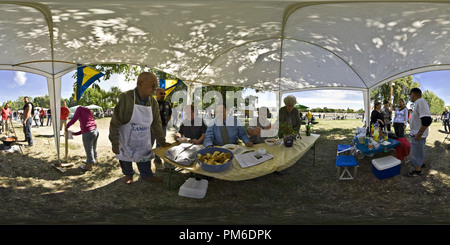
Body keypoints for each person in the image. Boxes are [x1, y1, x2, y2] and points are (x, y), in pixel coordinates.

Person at [109, 72, 170, 184]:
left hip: (143, 136)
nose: (154, 88)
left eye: (155, 86)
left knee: (144, 155)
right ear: (141, 83)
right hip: (126, 136)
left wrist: (162, 142)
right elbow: (115, 122)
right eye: (152, 85)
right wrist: (114, 143)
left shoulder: (153, 102)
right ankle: (128, 174)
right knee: (125, 156)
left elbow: (156, 123)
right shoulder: (126, 97)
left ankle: (146, 174)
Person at [404, 88, 432, 177]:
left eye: (410, 94)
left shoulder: (420, 102)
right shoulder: (419, 103)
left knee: (415, 153)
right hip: (418, 133)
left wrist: (419, 134)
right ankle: (421, 163)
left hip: (418, 134)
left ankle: (417, 171)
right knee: (419, 150)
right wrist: (411, 121)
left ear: (413, 94)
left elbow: (427, 120)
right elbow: (420, 118)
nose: (410, 96)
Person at [66, 106, 99, 171]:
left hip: (89, 132)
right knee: (93, 147)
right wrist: (74, 134)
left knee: (88, 149)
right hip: (96, 130)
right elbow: (86, 129)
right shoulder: (88, 111)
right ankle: (92, 159)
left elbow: (74, 119)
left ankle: (89, 166)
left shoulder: (79, 109)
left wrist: (67, 126)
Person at [151, 87, 172, 169]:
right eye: (161, 93)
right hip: (152, 127)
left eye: (164, 93)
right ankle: (146, 159)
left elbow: (170, 114)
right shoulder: (152, 102)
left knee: (160, 143)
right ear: (156, 94)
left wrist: (165, 122)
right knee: (150, 142)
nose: (163, 95)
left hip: (163, 127)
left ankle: (157, 157)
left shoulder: (167, 103)